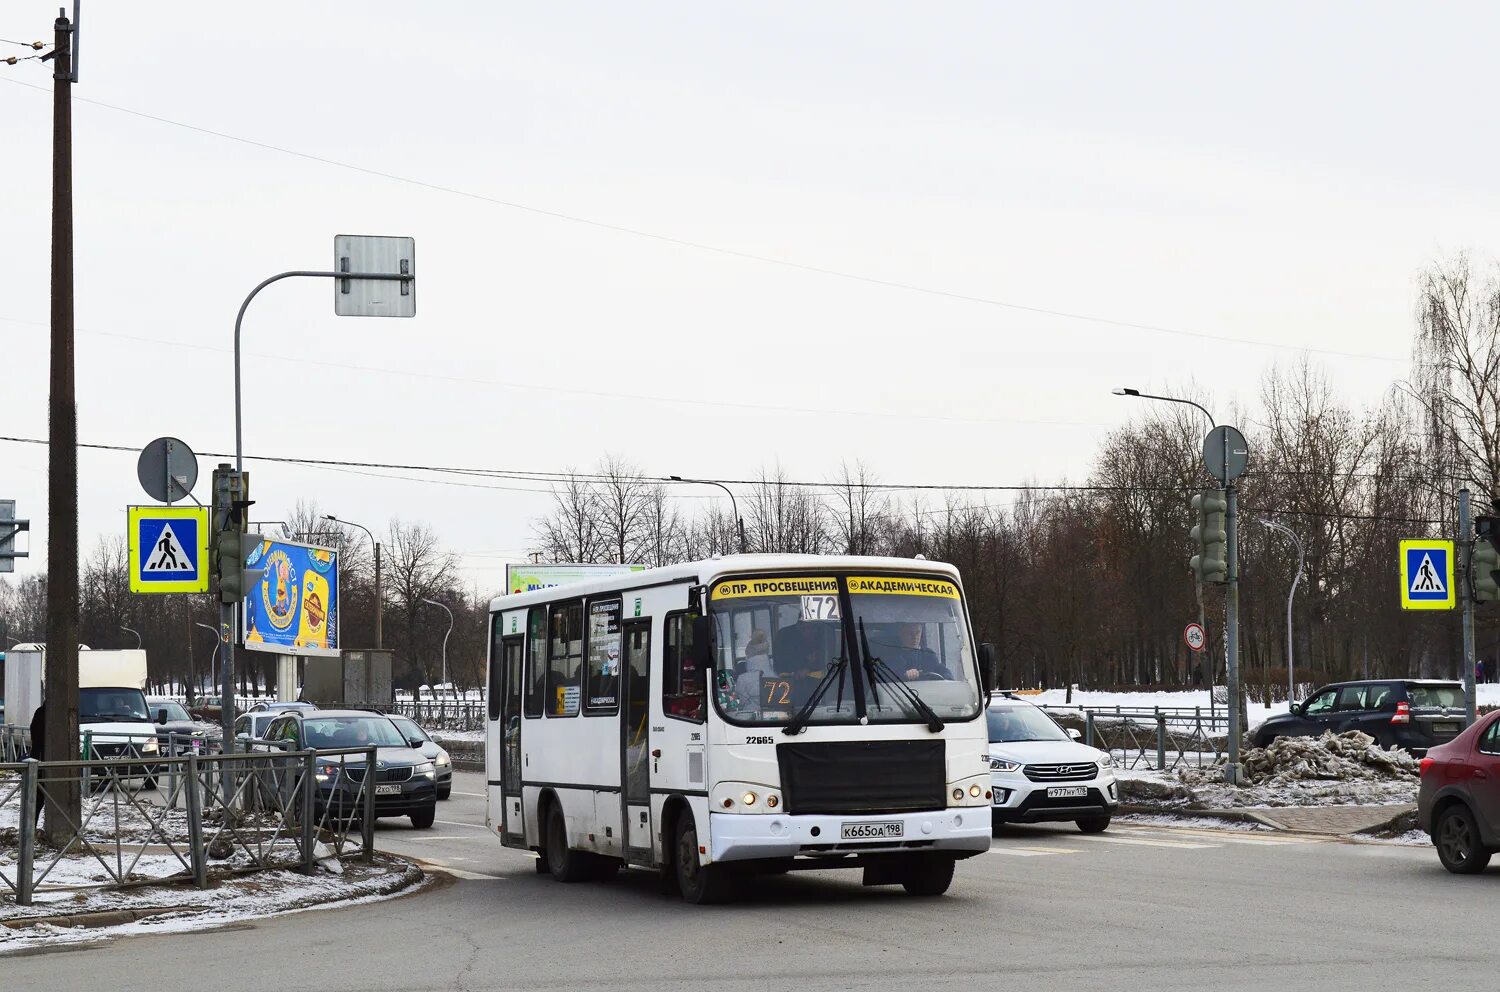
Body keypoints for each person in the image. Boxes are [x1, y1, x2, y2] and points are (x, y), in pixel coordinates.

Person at [735, 629, 776, 712]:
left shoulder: (742, 679)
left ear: (748, 654)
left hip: (751, 721)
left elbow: (743, 703)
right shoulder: (777, 674)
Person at [28, 701, 46, 827]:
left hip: (38, 759)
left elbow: (33, 732)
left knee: (37, 798)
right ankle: (30, 828)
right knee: (38, 798)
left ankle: (31, 827)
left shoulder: (40, 712)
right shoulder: (45, 714)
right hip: (41, 761)